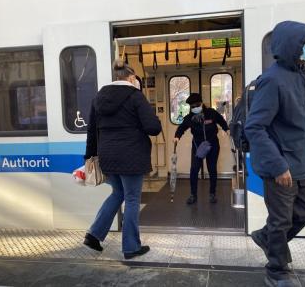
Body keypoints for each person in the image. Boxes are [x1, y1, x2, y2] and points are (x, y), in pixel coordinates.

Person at [244, 21, 305, 287]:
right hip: (280, 164)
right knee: (281, 219)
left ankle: (266, 239)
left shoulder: (302, 74)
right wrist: (278, 165)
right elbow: (255, 127)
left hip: (301, 160)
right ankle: (276, 269)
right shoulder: (273, 80)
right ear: (293, 45)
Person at [83, 59, 162, 259]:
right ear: (132, 78)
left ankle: (93, 235)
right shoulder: (135, 96)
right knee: (133, 199)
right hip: (131, 156)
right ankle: (131, 247)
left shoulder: (99, 98)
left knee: (118, 193)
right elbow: (153, 127)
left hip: (108, 156)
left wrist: (89, 156)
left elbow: (91, 130)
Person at [173, 93, 229, 204]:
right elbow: (181, 128)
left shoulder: (211, 113)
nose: (195, 108)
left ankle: (212, 193)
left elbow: (221, 121)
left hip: (212, 144)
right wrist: (176, 137)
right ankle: (193, 195)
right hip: (197, 146)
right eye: (192, 107)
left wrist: (227, 129)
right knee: (194, 169)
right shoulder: (189, 118)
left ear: (201, 103)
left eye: (197, 105)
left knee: (212, 168)